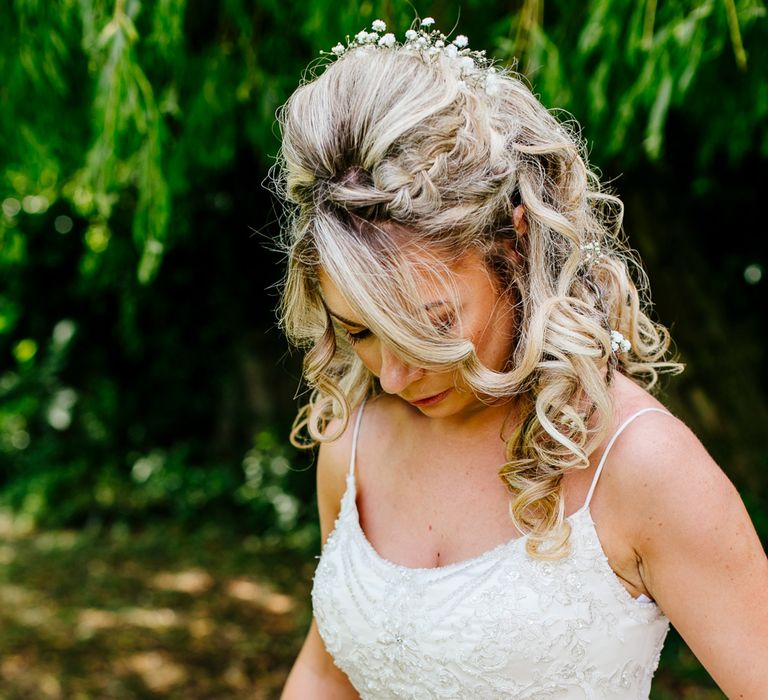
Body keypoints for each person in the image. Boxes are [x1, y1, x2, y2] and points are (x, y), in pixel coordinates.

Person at [274, 17, 768, 699]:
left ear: (515, 242)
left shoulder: (642, 466)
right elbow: (328, 672)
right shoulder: (354, 441)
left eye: (430, 326)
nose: (393, 374)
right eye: (360, 333)